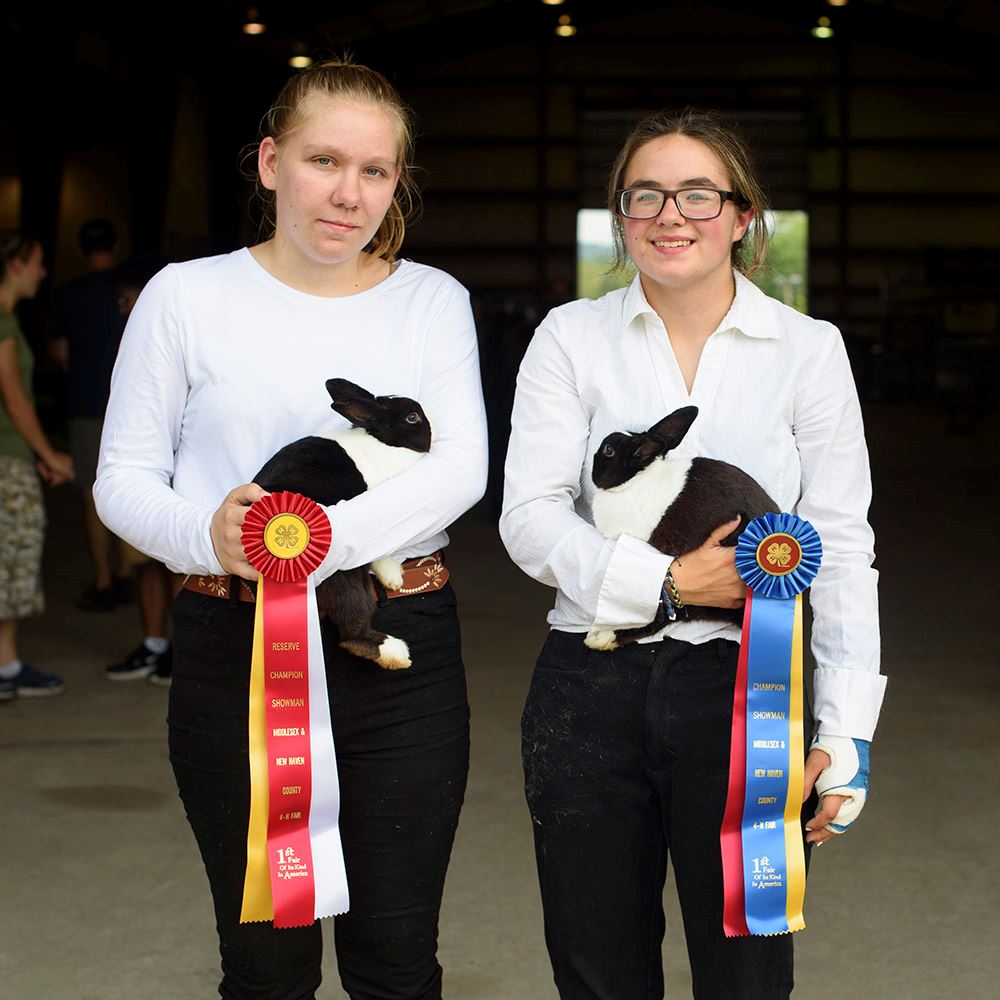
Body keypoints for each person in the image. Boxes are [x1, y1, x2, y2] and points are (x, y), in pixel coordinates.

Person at [94, 59, 487, 999]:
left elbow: (459, 471)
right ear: (270, 162)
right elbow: (123, 481)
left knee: (396, 965)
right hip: (232, 648)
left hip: (399, 650)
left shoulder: (431, 301)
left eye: (376, 171)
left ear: (398, 183)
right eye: (322, 160)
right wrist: (212, 537)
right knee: (265, 966)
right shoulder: (184, 298)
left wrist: (308, 538)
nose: (348, 194)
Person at [499, 108, 885, 999]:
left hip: (750, 695)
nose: (672, 215)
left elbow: (846, 543)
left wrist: (846, 729)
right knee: (598, 970)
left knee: (747, 973)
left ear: (744, 216)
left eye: (699, 194)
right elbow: (528, 516)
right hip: (589, 688)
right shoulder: (570, 337)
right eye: (647, 195)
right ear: (621, 215)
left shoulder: (808, 350)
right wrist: (666, 582)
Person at [0, 232, 73, 701]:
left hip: (12, 456)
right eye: (39, 263)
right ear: (16, 263)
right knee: (12, 559)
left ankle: (5, 664)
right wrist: (50, 455)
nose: (43, 273)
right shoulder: (3, 325)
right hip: (7, 463)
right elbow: (16, 400)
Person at [49, 217, 133, 613]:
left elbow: (61, 354)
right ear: (114, 247)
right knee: (135, 484)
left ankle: (103, 578)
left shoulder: (68, 295)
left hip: (86, 404)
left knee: (92, 494)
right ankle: (131, 571)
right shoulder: (132, 289)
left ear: (81, 252)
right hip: (132, 405)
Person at [102, 254, 176, 685]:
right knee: (143, 560)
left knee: (185, 563)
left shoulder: (184, 321)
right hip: (138, 463)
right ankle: (153, 644)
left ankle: (178, 646)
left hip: (185, 470)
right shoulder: (124, 329)